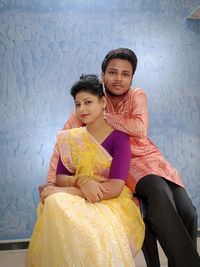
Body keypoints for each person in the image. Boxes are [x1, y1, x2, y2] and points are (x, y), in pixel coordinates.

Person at [45, 48, 200, 267]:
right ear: (103, 75)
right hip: (124, 162)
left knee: (188, 212)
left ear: (131, 78)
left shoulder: (135, 95)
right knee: (159, 191)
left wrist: (105, 114)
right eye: (112, 72)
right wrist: (52, 182)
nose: (118, 78)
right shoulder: (92, 101)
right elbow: (64, 144)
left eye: (125, 74)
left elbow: (140, 128)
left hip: (152, 158)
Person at [26, 74, 145, 267]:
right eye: (77, 104)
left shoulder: (119, 138)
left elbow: (115, 187)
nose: (82, 109)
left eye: (88, 102)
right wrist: (81, 182)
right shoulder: (71, 138)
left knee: (57, 199)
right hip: (78, 194)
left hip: (110, 200)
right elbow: (61, 177)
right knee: (55, 202)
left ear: (103, 102)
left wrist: (66, 191)